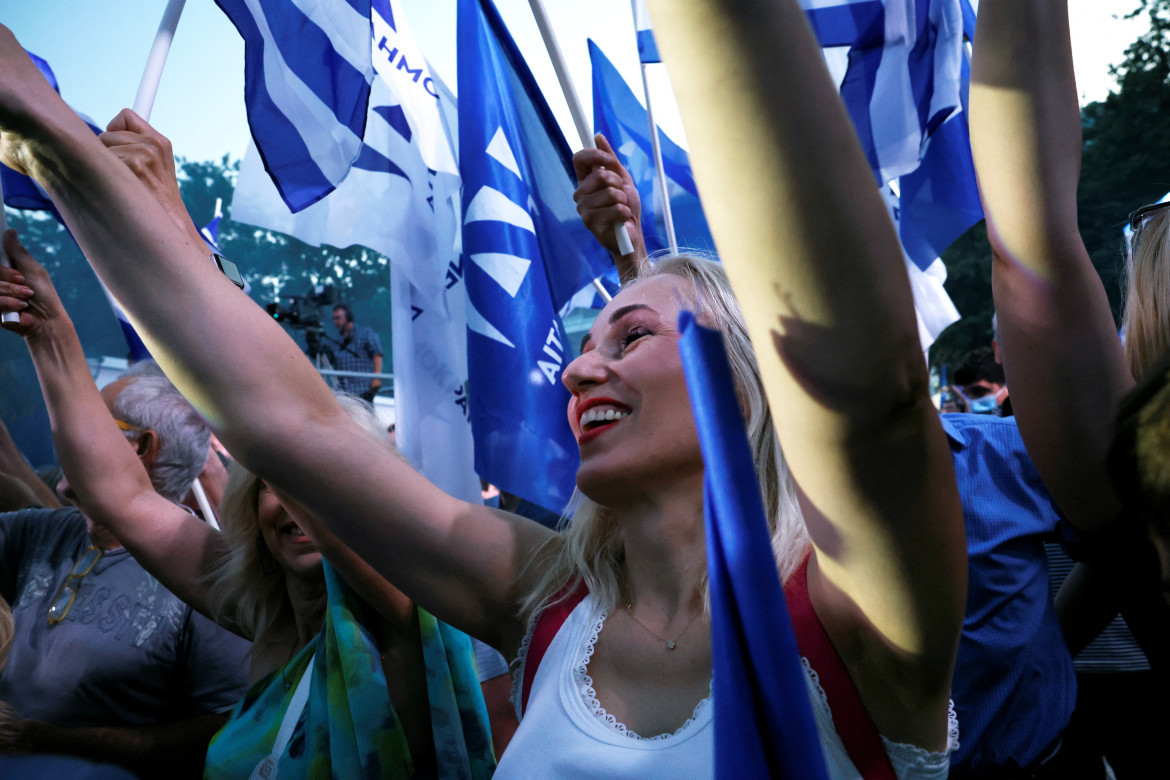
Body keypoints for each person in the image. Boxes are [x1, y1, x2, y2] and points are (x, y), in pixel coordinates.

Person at [0, 0, 967, 775]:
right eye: (587, 343)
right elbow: (288, 420)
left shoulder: (857, 612)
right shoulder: (545, 597)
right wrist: (47, 131)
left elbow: (871, 386)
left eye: (630, 334)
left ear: (757, 382)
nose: (582, 365)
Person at [0, 222, 494, 776]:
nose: (291, 504)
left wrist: (177, 230)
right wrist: (51, 337)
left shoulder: (402, 620)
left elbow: (288, 438)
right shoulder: (267, 622)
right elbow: (124, 498)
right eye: (269, 485)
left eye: (315, 482)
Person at [0, 362, 252, 777]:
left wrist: (46, 740)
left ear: (142, 447)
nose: (67, 430)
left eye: (92, 420)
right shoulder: (43, 531)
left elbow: (220, 731)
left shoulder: (209, 574)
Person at [325, 303, 384, 402]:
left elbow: (377, 355)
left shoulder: (365, 333)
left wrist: (376, 378)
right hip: (344, 394)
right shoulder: (334, 341)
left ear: (348, 317)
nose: (336, 322)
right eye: (334, 319)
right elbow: (327, 361)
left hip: (364, 390)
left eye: (338, 318)